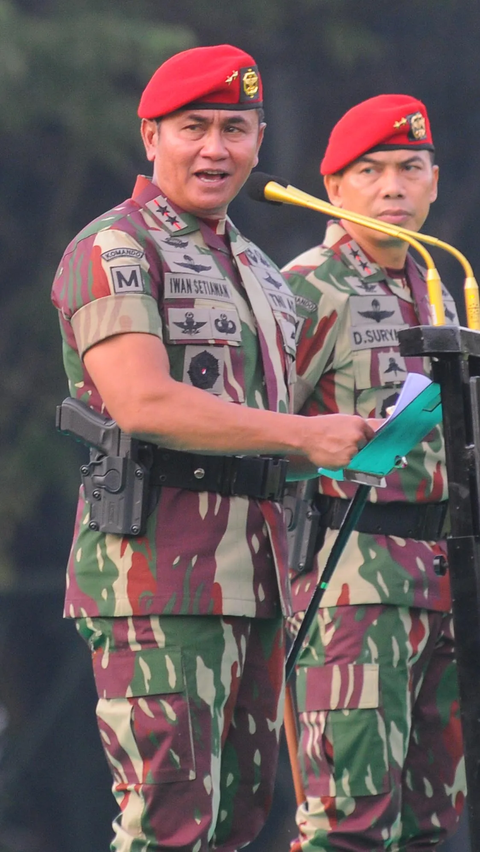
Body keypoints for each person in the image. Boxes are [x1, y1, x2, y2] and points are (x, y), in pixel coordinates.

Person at [50, 45, 373, 852]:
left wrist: (362, 441)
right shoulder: (116, 247)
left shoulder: (265, 273)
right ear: (150, 135)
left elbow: (271, 424)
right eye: (193, 127)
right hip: (158, 576)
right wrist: (307, 433)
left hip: (260, 579)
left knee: (234, 824)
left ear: (261, 141)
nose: (215, 148)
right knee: (166, 825)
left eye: (236, 128)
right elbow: (144, 401)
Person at [282, 95, 466, 851]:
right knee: (348, 824)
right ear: (335, 187)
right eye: (371, 170)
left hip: (441, 576)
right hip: (348, 583)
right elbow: (260, 428)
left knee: (432, 821)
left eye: (409, 169)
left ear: (433, 181)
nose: (393, 187)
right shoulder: (307, 286)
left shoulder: (433, 283)